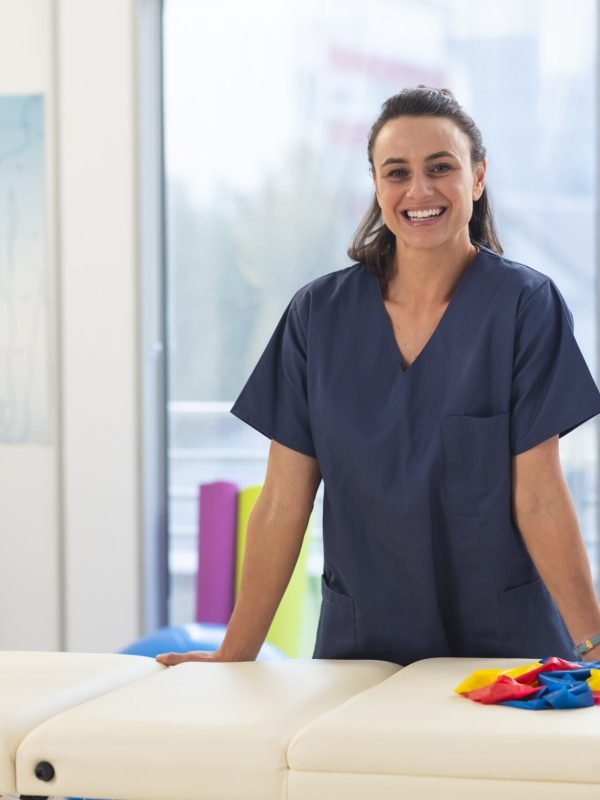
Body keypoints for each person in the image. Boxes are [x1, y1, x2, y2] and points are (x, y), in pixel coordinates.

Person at [157, 86, 600, 668]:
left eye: (441, 167)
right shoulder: (317, 317)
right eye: (397, 172)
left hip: (502, 651)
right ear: (376, 184)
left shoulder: (525, 306)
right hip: (361, 651)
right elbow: (283, 504)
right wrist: (233, 655)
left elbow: (540, 497)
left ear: (477, 177)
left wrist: (594, 647)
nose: (419, 190)